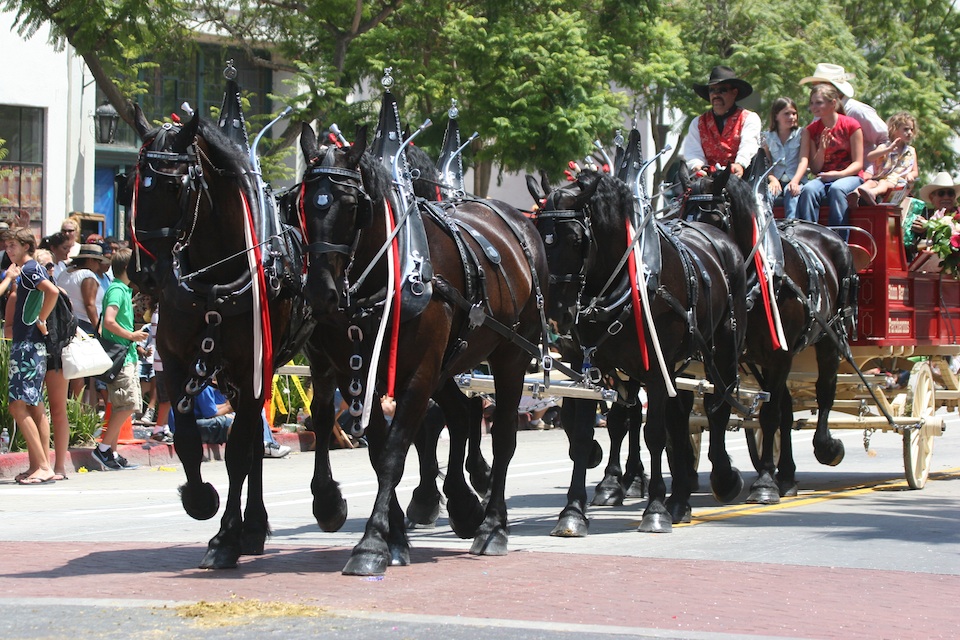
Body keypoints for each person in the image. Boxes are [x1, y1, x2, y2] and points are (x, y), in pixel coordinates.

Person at [1, 228, 60, 484]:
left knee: (17, 405)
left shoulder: (29, 269)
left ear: (26, 246)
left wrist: (42, 318)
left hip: (27, 346)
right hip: (30, 345)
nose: (8, 250)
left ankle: (43, 466)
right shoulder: (29, 269)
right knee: (35, 406)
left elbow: (52, 292)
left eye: (13, 245)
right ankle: (38, 465)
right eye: (7, 246)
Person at [91, 248, 149, 471]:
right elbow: (109, 321)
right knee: (128, 404)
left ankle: (111, 452)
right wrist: (132, 336)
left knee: (121, 405)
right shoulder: (117, 290)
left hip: (125, 354)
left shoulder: (121, 289)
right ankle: (104, 449)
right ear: (127, 267)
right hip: (121, 356)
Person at [792, 83, 864, 227]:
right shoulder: (811, 130)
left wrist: (838, 175)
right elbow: (815, 169)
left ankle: (838, 236)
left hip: (850, 176)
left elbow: (858, 164)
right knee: (808, 190)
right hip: (824, 177)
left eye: (819, 103)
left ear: (833, 103)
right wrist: (822, 150)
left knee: (837, 189)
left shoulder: (851, 125)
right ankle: (808, 234)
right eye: (812, 103)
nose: (814, 107)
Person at [680, 65, 762, 179]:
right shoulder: (698, 123)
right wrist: (697, 166)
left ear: (734, 93)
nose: (715, 95)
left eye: (722, 90)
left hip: (740, 178)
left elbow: (748, 145)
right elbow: (693, 152)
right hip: (707, 179)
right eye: (712, 90)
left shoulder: (749, 118)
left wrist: (740, 164)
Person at [799, 63, 888, 163]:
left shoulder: (857, 111)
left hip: (860, 169)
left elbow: (886, 139)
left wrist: (871, 167)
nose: (814, 89)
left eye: (817, 85)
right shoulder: (819, 114)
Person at [58, 244, 109, 402]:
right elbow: (89, 304)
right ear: (90, 260)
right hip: (84, 325)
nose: (99, 265)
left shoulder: (65, 273)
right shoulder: (88, 275)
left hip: (64, 323)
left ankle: (73, 404)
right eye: (97, 261)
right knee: (81, 368)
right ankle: (78, 407)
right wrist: (98, 327)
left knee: (69, 365)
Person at [854, 112, 919, 206]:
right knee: (870, 183)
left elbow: (915, 171)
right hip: (880, 178)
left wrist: (911, 175)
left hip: (897, 183)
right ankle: (855, 194)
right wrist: (887, 150)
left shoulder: (911, 151)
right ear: (895, 130)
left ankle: (872, 193)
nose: (909, 133)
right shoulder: (884, 146)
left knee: (883, 183)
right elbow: (870, 157)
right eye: (906, 129)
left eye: (911, 130)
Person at [762, 97, 805, 219]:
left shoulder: (802, 133)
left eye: (794, 113)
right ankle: (767, 227)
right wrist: (772, 179)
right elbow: (766, 163)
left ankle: (792, 226)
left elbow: (803, 160)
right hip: (776, 179)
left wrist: (795, 181)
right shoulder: (766, 137)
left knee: (792, 193)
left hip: (795, 179)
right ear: (776, 116)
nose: (792, 117)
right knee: (766, 197)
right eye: (787, 114)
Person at [902, 172, 960, 260]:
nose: (946, 197)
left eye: (950, 193)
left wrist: (929, 228)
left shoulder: (958, 214)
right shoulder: (923, 213)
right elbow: (911, 247)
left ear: (954, 197)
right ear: (932, 198)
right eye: (941, 193)